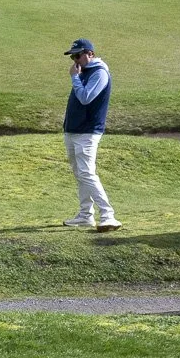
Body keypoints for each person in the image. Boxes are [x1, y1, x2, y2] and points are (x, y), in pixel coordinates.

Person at [62, 38, 121, 232]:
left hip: (87, 132)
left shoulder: (99, 73)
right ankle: (85, 215)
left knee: (87, 173)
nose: (75, 60)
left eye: (78, 55)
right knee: (80, 174)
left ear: (90, 54)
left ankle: (108, 215)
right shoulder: (83, 71)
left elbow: (86, 98)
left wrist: (74, 78)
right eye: (73, 56)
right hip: (73, 130)